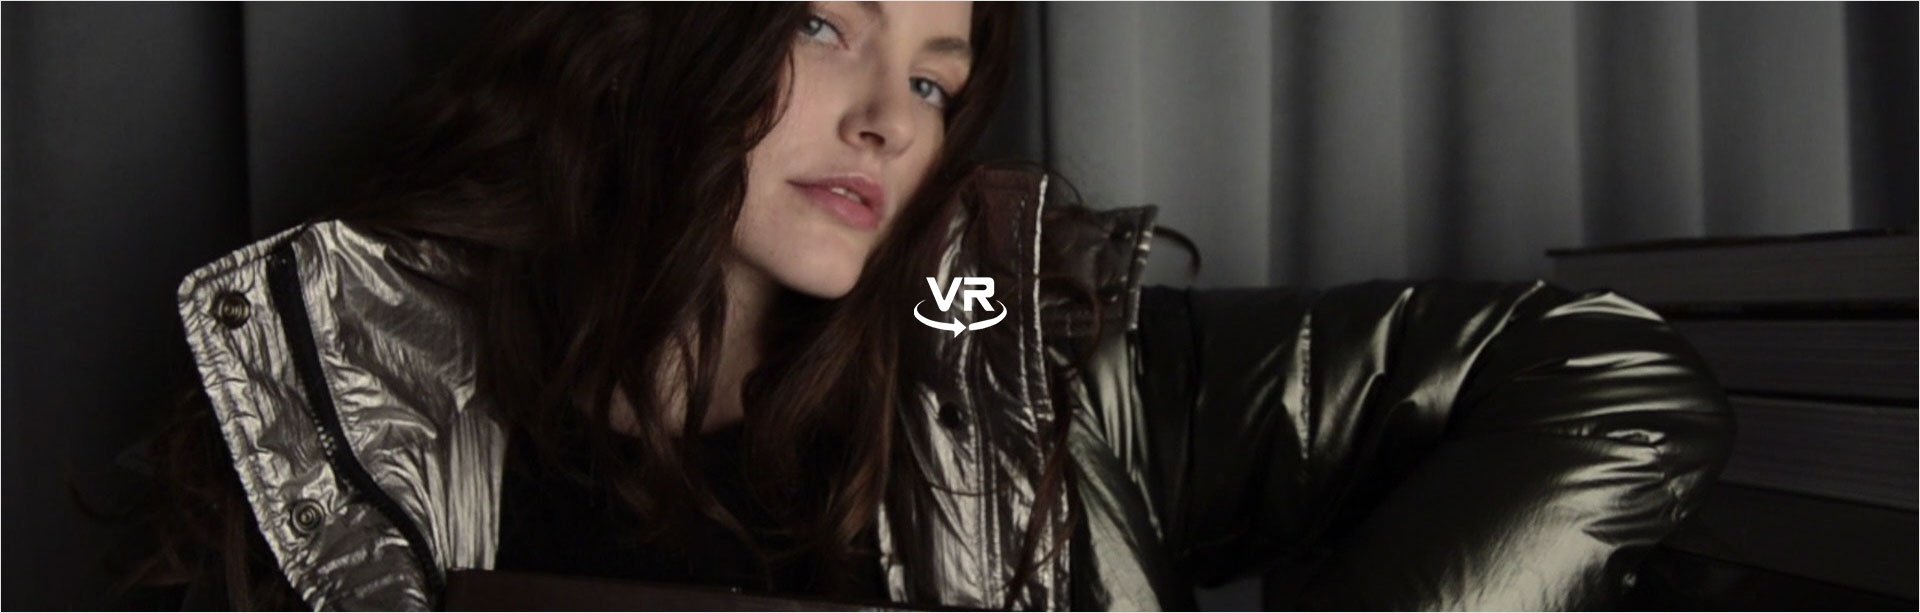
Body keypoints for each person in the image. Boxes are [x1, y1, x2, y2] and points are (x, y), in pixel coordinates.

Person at [133, 2, 1735, 610]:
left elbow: (1608, 380)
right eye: (829, 27)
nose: (888, 122)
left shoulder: (1041, 385)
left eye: (934, 78)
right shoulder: (348, 398)